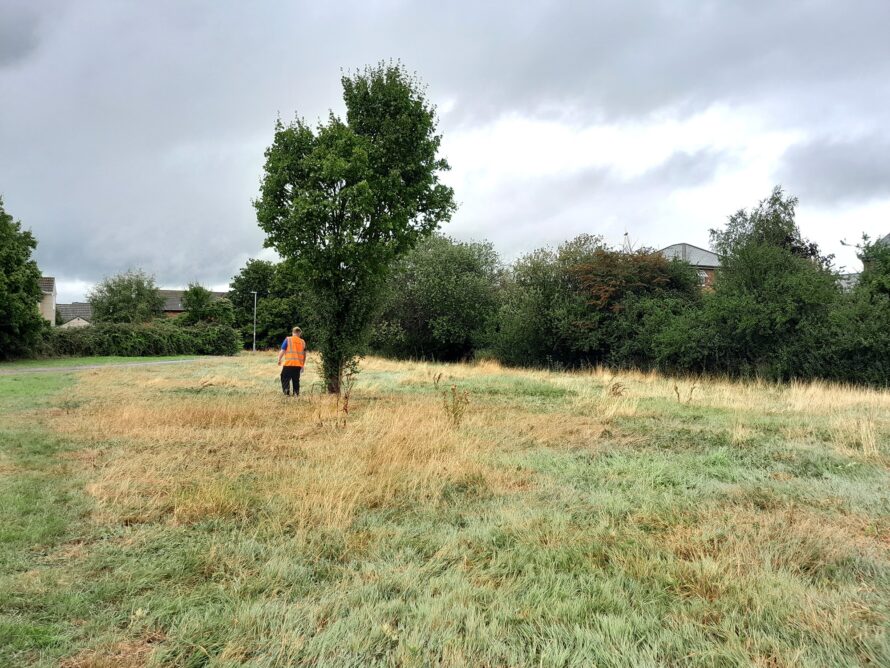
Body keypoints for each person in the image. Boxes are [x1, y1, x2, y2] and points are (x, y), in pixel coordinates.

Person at [277, 326, 306, 396]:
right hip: (298, 365)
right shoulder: (302, 342)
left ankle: (286, 394)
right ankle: (296, 395)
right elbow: (304, 355)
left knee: (285, 378)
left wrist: (279, 359)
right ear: (300, 333)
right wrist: (302, 365)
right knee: (296, 380)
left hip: (289, 364)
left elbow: (283, 350)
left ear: (293, 332)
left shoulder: (288, 339)